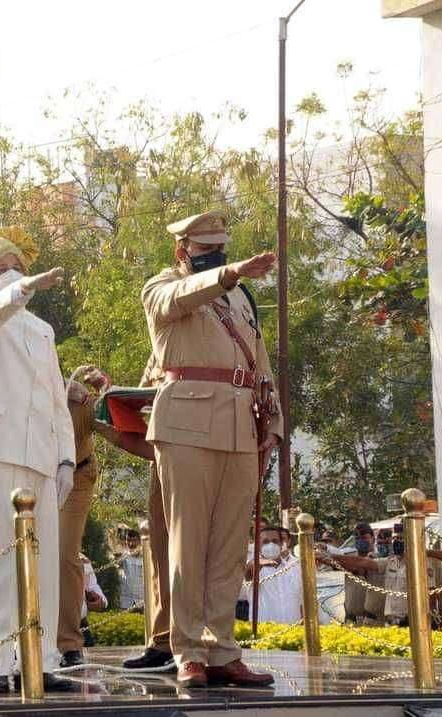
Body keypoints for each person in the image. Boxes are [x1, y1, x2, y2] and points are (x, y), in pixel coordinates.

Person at [141, 210, 283, 688]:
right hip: (186, 423)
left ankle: (221, 648)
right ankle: (188, 649)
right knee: (188, 543)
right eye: (206, 250)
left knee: (229, 547)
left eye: (221, 249)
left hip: (241, 424)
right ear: (182, 250)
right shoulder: (162, 286)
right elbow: (178, 299)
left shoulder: (241, 297)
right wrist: (230, 273)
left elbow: (259, 359)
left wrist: (274, 420)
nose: (216, 256)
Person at [0, 227, 76, 695]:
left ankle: (40, 661)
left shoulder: (43, 330)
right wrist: (19, 290)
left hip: (41, 455)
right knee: (0, 557)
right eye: (2, 268)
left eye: (17, 266)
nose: (13, 273)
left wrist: (66, 459)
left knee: (44, 565)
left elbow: (57, 399)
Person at [59, 366, 154, 668]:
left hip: (77, 474)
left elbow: (123, 434)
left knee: (64, 553)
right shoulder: (14, 394)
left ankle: (68, 644)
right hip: (31, 479)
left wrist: (105, 395)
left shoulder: (77, 399)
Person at [122, 355, 177, 674]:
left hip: (207, 455)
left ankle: (203, 644)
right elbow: (140, 400)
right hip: (164, 459)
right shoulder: (159, 353)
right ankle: (163, 641)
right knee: (161, 555)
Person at [326, 536, 442, 625]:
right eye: (395, 538)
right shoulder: (389, 561)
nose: (397, 542)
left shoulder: (422, 562)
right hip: (391, 623)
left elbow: (431, 594)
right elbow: (361, 563)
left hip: (411, 622)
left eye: (401, 538)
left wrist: (431, 622)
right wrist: (327, 557)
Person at [244, 526, 301, 624]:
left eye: (275, 541)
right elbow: (249, 571)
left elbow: (301, 600)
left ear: (281, 544)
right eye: (265, 542)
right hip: (265, 630)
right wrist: (258, 563)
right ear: (258, 546)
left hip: (294, 628)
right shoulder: (254, 567)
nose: (271, 545)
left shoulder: (294, 567)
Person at [117, 531, 146, 612]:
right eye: (128, 540)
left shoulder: (145, 556)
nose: (131, 543)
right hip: (126, 601)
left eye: (134, 540)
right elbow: (117, 562)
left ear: (139, 541)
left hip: (142, 599)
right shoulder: (123, 556)